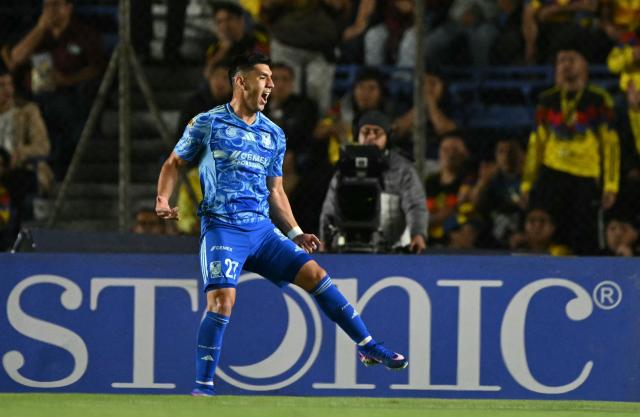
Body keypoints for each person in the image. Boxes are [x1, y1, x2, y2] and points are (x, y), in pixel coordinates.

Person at [155, 53, 408, 397]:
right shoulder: (207, 123)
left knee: (317, 275)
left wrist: (294, 232)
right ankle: (203, 388)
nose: (271, 85)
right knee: (222, 302)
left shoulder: (273, 134)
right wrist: (162, 199)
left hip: (262, 231)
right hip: (223, 228)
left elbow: (276, 190)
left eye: (272, 78)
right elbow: (173, 162)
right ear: (241, 81)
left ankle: (367, 344)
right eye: (263, 77)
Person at [520, 43, 620, 255]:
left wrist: (611, 184)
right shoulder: (546, 100)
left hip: (585, 175)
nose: (565, 65)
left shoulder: (599, 99)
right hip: (551, 171)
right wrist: (528, 181)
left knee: (583, 235)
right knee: (548, 233)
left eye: (571, 59)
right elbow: (536, 142)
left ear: (584, 64)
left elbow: (610, 145)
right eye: (561, 60)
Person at [6, 0, 104, 179]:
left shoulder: (83, 35)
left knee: (60, 111)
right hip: (32, 96)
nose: (50, 11)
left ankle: (60, 168)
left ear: (68, 7)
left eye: (55, 5)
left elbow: (95, 70)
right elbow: (15, 58)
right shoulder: (35, 34)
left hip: (69, 95)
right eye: (46, 6)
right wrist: (40, 29)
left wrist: (66, 80)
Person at [319, 110, 427, 253]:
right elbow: (329, 209)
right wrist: (324, 241)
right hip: (347, 248)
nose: (371, 137)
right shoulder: (344, 169)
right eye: (366, 132)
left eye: (377, 132)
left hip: (393, 249)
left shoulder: (403, 169)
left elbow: (415, 205)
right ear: (357, 135)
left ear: (387, 137)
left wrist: (418, 234)